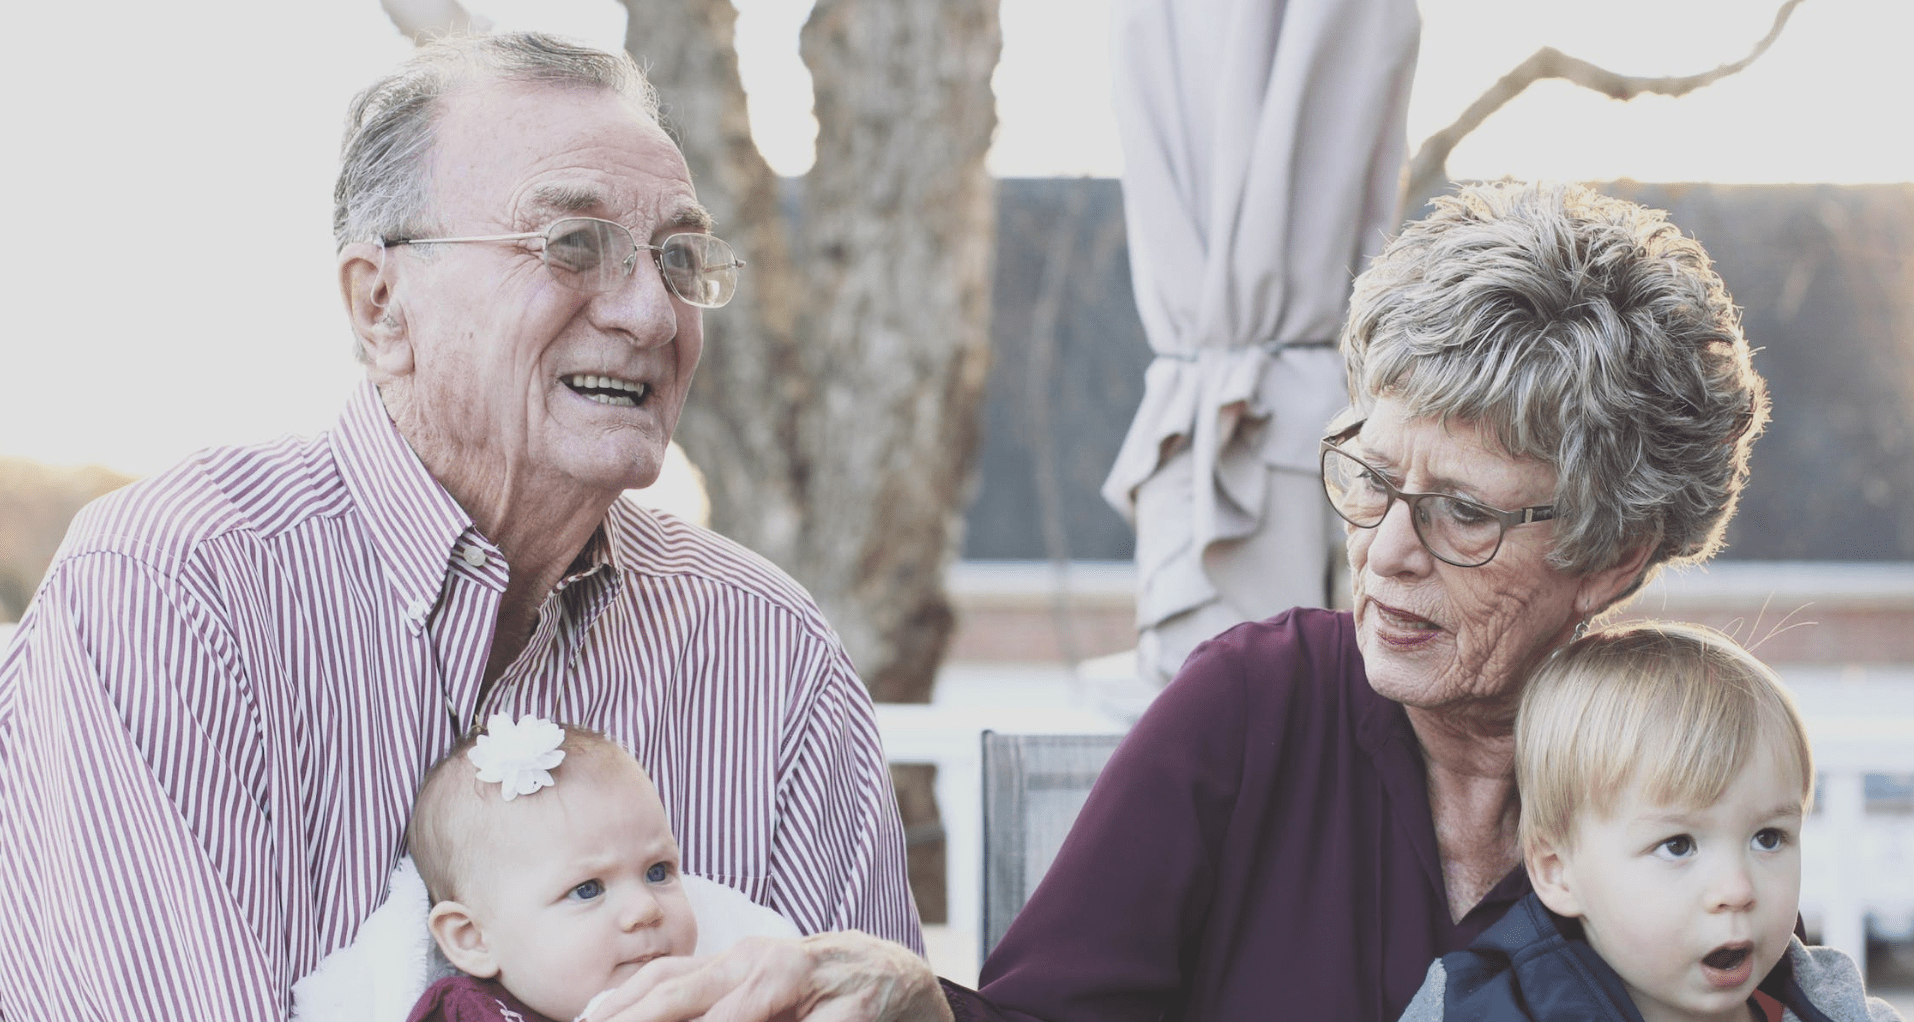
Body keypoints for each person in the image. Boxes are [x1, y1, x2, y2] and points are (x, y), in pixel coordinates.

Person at [580, 180, 1772, 1022]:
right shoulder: (1254, 706)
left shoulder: (1691, 772)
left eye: (1463, 511)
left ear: (1616, 554)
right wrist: (917, 1005)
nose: (1387, 551)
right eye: (1370, 475)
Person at [0, 32, 918, 1018]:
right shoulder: (170, 592)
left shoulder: (770, 652)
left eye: (681, 257)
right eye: (574, 243)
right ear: (380, 301)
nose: (653, 312)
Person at [1399, 622, 1901, 1022]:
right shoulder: (1486, 1010)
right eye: (1678, 845)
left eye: (1768, 838)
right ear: (1556, 870)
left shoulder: (1833, 1007)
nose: (1736, 888)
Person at [406, 715, 699, 1022]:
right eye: (587, 890)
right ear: (474, 938)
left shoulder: (716, 991)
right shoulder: (468, 1012)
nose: (645, 908)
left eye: (658, 872)